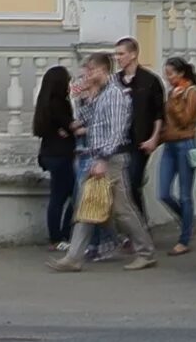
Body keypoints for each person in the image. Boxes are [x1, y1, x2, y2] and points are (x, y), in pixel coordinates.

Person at [55, 51, 155, 270]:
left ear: (101, 70)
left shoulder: (115, 95)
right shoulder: (100, 94)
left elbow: (117, 131)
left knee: (122, 210)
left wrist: (102, 158)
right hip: (96, 156)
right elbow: (84, 120)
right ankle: (74, 257)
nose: (86, 74)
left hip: (110, 158)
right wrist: (82, 98)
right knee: (87, 204)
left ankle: (145, 251)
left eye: (89, 70)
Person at [113, 38, 165, 242]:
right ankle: (130, 230)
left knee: (133, 183)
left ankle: (140, 229)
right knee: (122, 187)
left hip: (140, 142)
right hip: (119, 142)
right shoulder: (115, 81)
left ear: (133, 54)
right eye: (116, 55)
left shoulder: (150, 81)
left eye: (121, 54)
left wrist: (154, 138)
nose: (118, 58)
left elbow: (158, 113)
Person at [155, 57, 196, 252]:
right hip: (169, 145)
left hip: (185, 143)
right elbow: (167, 122)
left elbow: (185, 119)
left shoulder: (192, 92)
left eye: (171, 74)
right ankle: (187, 221)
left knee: (184, 194)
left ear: (182, 73)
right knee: (163, 193)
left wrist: (175, 101)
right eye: (166, 74)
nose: (168, 78)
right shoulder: (172, 91)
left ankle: (184, 239)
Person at [30, 64, 78, 249]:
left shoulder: (45, 101)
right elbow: (71, 126)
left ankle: (58, 237)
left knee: (60, 195)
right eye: (67, 81)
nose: (69, 85)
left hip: (49, 154)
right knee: (72, 195)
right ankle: (59, 236)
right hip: (60, 155)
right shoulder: (59, 103)